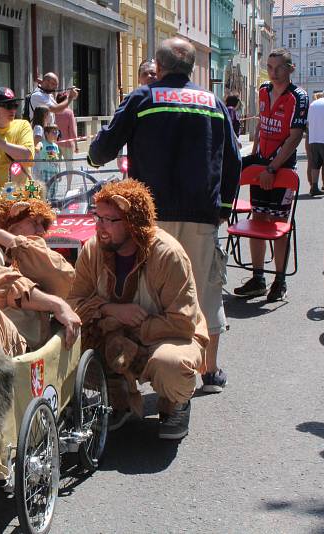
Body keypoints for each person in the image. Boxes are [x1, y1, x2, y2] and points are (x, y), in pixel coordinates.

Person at [88, 37, 240, 394]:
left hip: (148, 218)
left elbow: (103, 148)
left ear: (160, 65)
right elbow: (233, 159)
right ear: (189, 67)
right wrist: (223, 208)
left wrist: (95, 157)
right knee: (204, 292)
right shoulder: (212, 102)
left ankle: (145, 371)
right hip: (200, 216)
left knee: (149, 294)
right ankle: (209, 371)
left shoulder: (143, 98)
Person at [69, 179, 209, 440]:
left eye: (110, 220)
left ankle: (175, 403)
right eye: (97, 217)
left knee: (170, 364)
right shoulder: (93, 250)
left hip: (170, 337)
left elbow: (182, 323)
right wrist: (112, 310)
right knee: (71, 348)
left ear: (133, 223)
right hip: (116, 334)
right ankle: (118, 399)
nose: (100, 226)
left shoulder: (168, 255)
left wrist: (132, 332)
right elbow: (73, 304)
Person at [0, 196, 79, 356]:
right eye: (34, 222)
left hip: (24, 351)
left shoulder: (36, 257)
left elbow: (64, 276)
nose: (41, 231)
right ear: (10, 225)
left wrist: (6, 238)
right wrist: (55, 304)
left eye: (43, 225)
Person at [233, 48, 308, 301]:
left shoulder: (298, 97)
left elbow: (294, 138)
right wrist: (256, 161)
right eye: (270, 67)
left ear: (290, 69)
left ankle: (279, 280)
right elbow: (262, 128)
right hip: (262, 166)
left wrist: (271, 168)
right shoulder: (264, 90)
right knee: (258, 219)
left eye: (279, 67)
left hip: (281, 168)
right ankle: (258, 278)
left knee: (278, 224)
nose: (274, 73)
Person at [0, 87, 35, 188]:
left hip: (23, 194)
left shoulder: (23, 125)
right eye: (8, 106)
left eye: (15, 105)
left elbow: (27, 156)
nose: (13, 110)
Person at [54, 92, 79, 172]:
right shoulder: (69, 112)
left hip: (54, 143)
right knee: (69, 166)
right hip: (67, 143)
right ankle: (68, 185)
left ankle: (55, 181)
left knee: (55, 165)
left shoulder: (53, 112)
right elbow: (72, 130)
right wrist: (76, 145)